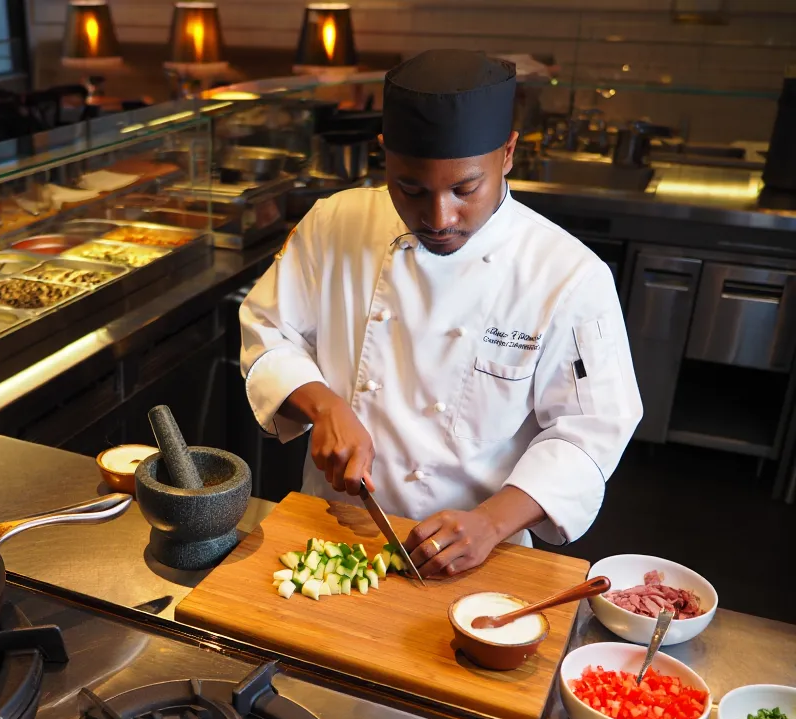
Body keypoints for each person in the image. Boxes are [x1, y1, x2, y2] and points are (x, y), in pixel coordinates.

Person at [238, 49, 642, 578]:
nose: (438, 217)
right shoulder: (335, 222)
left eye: (464, 189)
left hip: (482, 553)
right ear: (385, 156)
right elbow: (268, 331)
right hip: (336, 529)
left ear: (508, 154)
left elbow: (592, 430)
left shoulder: (567, 275)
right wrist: (325, 406)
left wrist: (493, 523)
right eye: (411, 189)